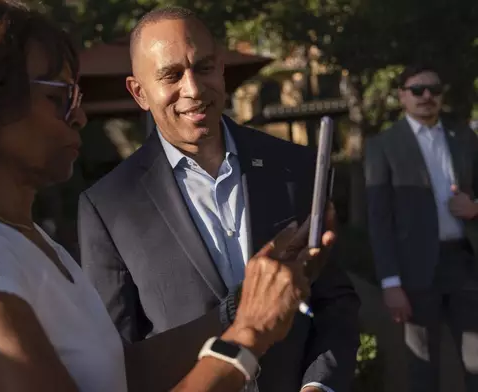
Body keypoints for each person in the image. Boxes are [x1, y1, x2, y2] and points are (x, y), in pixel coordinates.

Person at [0, 1, 336, 391]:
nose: (79, 116)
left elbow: (122, 375)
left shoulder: (30, 240)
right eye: (60, 96)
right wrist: (248, 336)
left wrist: (244, 304)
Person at [78, 6, 360, 392]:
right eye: (171, 75)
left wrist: (319, 386)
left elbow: (335, 302)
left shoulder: (295, 167)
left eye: (204, 67)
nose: (193, 88)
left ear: (222, 69)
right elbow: (117, 357)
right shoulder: (107, 206)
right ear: (139, 92)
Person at [365, 64, 478, 391]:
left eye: (434, 90)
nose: (426, 96)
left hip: (465, 264)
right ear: (402, 96)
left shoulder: (464, 136)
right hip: (414, 273)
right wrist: (390, 282)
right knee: (422, 368)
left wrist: (474, 208)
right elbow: (378, 220)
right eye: (418, 90)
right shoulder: (383, 146)